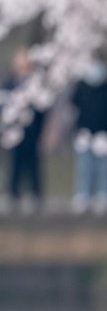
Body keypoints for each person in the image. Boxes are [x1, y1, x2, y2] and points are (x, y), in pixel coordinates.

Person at [70, 59, 107, 214]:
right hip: (84, 133)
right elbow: (73, 106)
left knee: (104, 168)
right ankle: (82, 194)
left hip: (105, 134)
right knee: (84, 168)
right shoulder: (81, 86)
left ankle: (104, 194)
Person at [4, 49, 46, 215]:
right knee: (14, 164)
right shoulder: (9, 83)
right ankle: (12, 193)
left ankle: (34, 194)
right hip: (13, 132)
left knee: (33, 165)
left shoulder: (35, 85)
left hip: (32, 131)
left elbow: (42, 110)